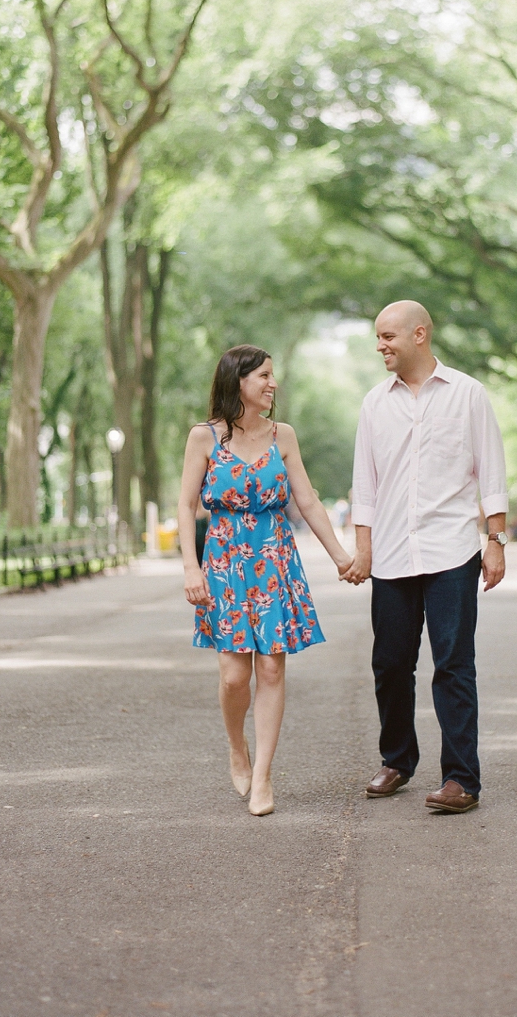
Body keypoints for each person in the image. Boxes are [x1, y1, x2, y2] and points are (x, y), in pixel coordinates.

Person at [344, 301, 508, 814]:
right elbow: (364, 485)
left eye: (388, 336)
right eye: (377, 337)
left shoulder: (468, 395)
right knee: (390, 664)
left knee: (454, 665)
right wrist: (363, 548)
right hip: (392, 553)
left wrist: (496, 540)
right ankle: (398, 759)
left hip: (452, 549)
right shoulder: (374, 404)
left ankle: (462, 779)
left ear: (420, 334)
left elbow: (492, 468)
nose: (380, 346)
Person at [178, 344, 353, 817]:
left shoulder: (284, 436)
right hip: (224, 562)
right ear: (238, 382)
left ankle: (263, 777)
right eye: (264, 376)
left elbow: (310, 502)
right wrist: (191, 567)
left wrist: (341, 557)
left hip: (275, 558)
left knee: (271, 669)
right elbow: (184, 505)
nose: (273, 384)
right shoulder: (204, 438)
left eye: (273, 376)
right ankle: (237, 747)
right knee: (235, 676)